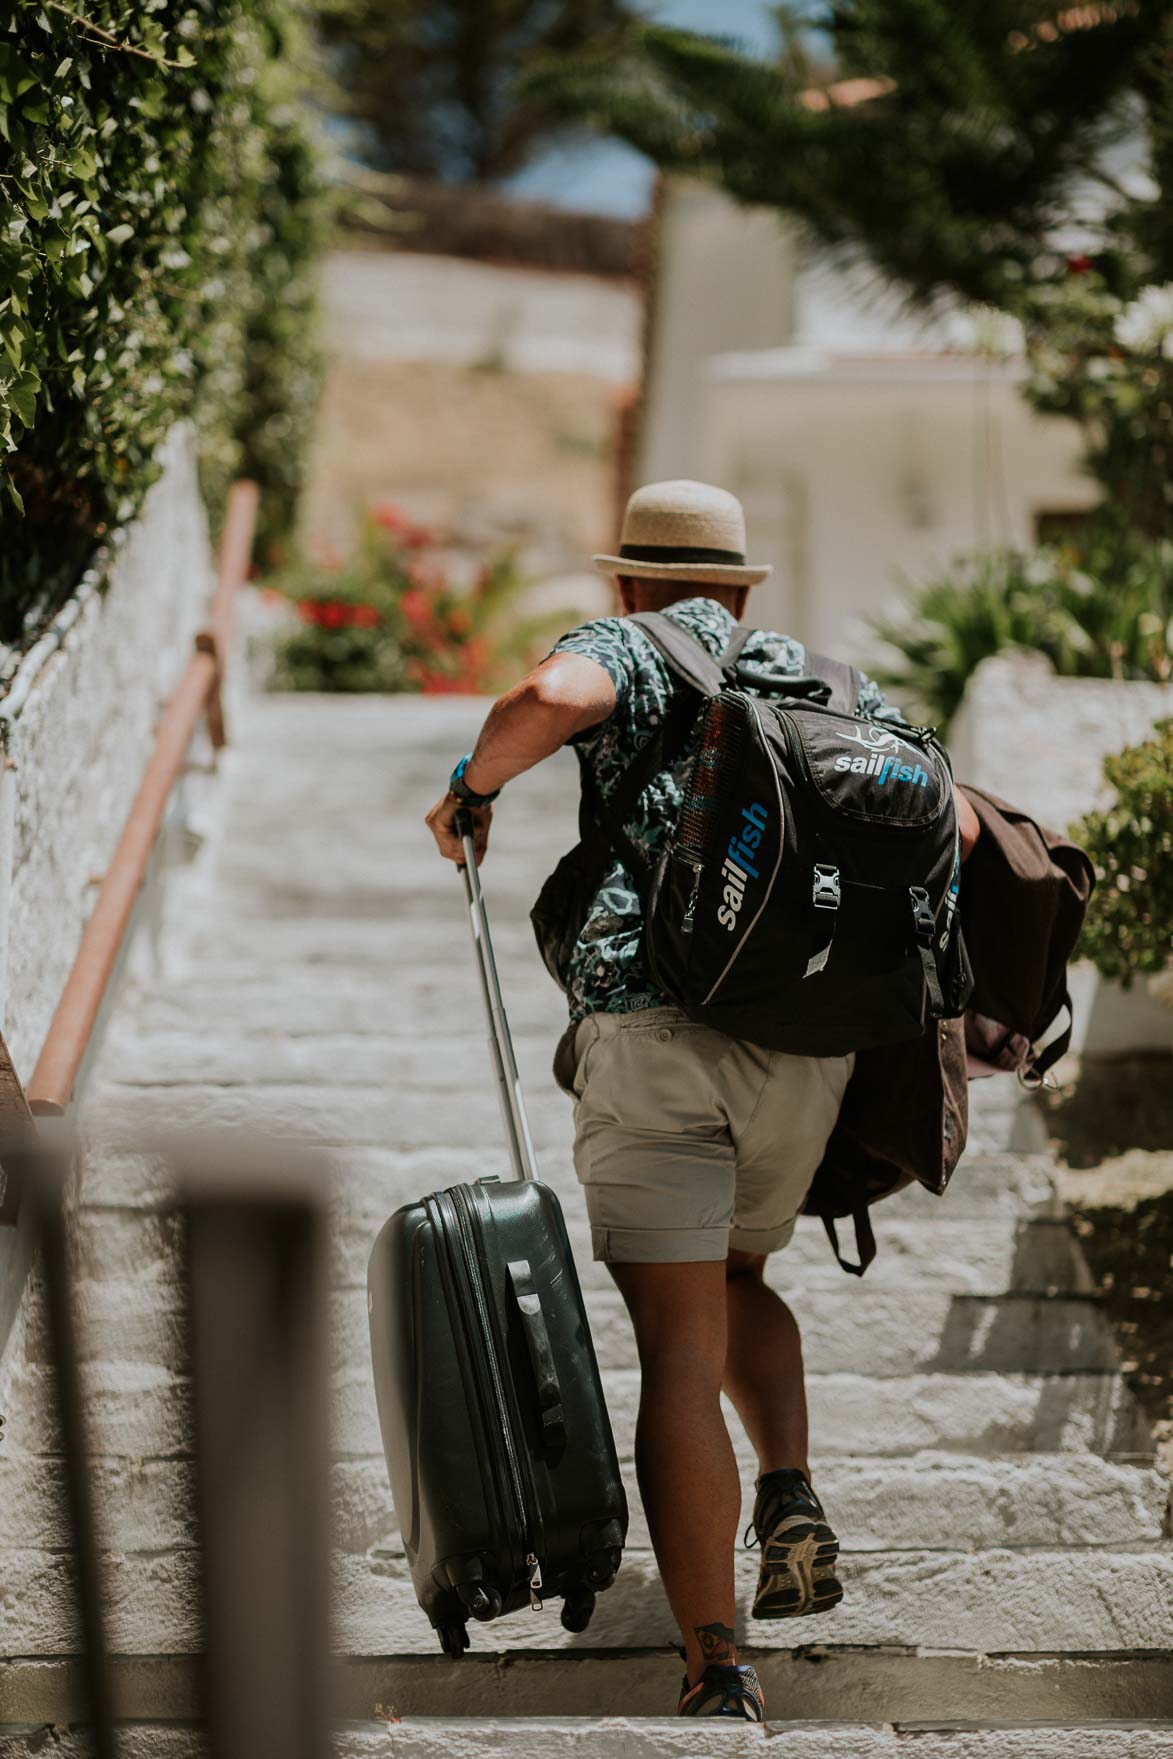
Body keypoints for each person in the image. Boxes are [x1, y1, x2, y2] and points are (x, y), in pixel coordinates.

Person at [427, 479, 981, 1721]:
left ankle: (717, 1665)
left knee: (681, 1346)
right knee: (741, 1283)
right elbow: (944, 822)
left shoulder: (628, 642)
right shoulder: (826, 678)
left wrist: (473, 788)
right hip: (809, 1050)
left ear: (629, 580)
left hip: (658, 1026)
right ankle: (787, 1483)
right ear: (739, 586)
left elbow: (546, 701)